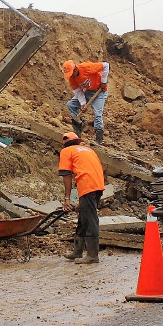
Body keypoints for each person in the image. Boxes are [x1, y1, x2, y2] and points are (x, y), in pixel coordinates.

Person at [58, 131, 105, 264]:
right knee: (84, 216)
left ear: (65, 144)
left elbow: (67, 176)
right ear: (78, 141)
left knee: (90, 218)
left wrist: (67, 199)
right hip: (98, 184)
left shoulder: (67, 151)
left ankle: (92, 255)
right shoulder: (88, 150)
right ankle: (77, 251)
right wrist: (81, 201)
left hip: (88, 185)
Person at [62, 60, 110, 144]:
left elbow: (106, 65)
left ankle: (99, 139)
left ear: (75, 69)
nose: (71, 76)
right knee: (70, 105)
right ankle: (78, 128)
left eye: (71, 73)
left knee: (97, 114)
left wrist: (103, 81)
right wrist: (83, 103)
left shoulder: (86, 67)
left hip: (99, 92)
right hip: (87, 92)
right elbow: (78, 92)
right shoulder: (72, 79)